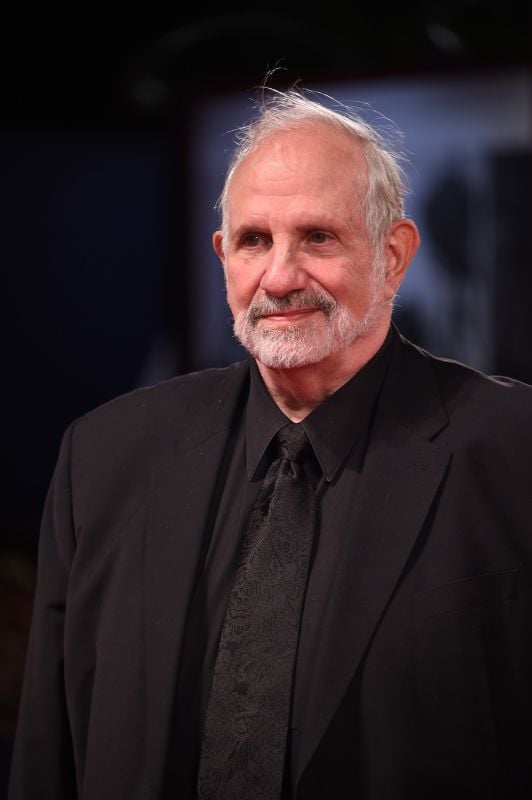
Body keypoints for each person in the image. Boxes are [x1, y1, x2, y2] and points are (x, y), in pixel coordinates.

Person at [8, 87, 532, 800]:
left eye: (318, 237)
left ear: (394, 254)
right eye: (254, 240)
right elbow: (49, 755)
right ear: (223, 255)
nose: (280, 278)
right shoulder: (103, 459)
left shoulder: (513, 450)